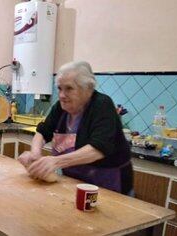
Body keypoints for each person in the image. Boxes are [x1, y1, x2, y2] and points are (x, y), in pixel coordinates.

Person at [18, 61, 133, 195]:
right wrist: (35, 154)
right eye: (60, 88)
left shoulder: (102, 105)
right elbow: (43, 132)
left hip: (108, 183)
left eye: (69, 88)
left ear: (88, 89)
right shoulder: (61, 107)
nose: (62, 95)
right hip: (75, 183)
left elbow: (98, 149)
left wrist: (56, 162)